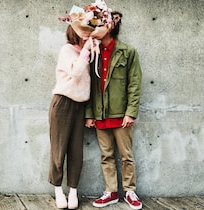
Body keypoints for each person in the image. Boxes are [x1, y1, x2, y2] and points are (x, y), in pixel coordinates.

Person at [85, 11, 143, 210]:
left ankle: (129, 191)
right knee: (106, 155)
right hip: (100, 114)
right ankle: (111, 192)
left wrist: (131, 112)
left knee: (126, 155)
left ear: (109, 26)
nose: (93, 30)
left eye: (98, 26)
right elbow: (89, 85)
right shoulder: (93, 53)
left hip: (121, 115)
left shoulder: (128, 52)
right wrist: (89, 114)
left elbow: (134, 84)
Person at [48, 24, 94, 209]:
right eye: (81, 30)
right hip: (63, 103)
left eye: (88, 30)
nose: (85, 33)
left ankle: (73, 191)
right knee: (59, 151)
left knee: (76, 152)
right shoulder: (67, 50)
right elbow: (75, 72)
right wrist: (86, 52)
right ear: (73, 31)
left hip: (80, 106)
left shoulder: (89, 53)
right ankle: (58, 190)